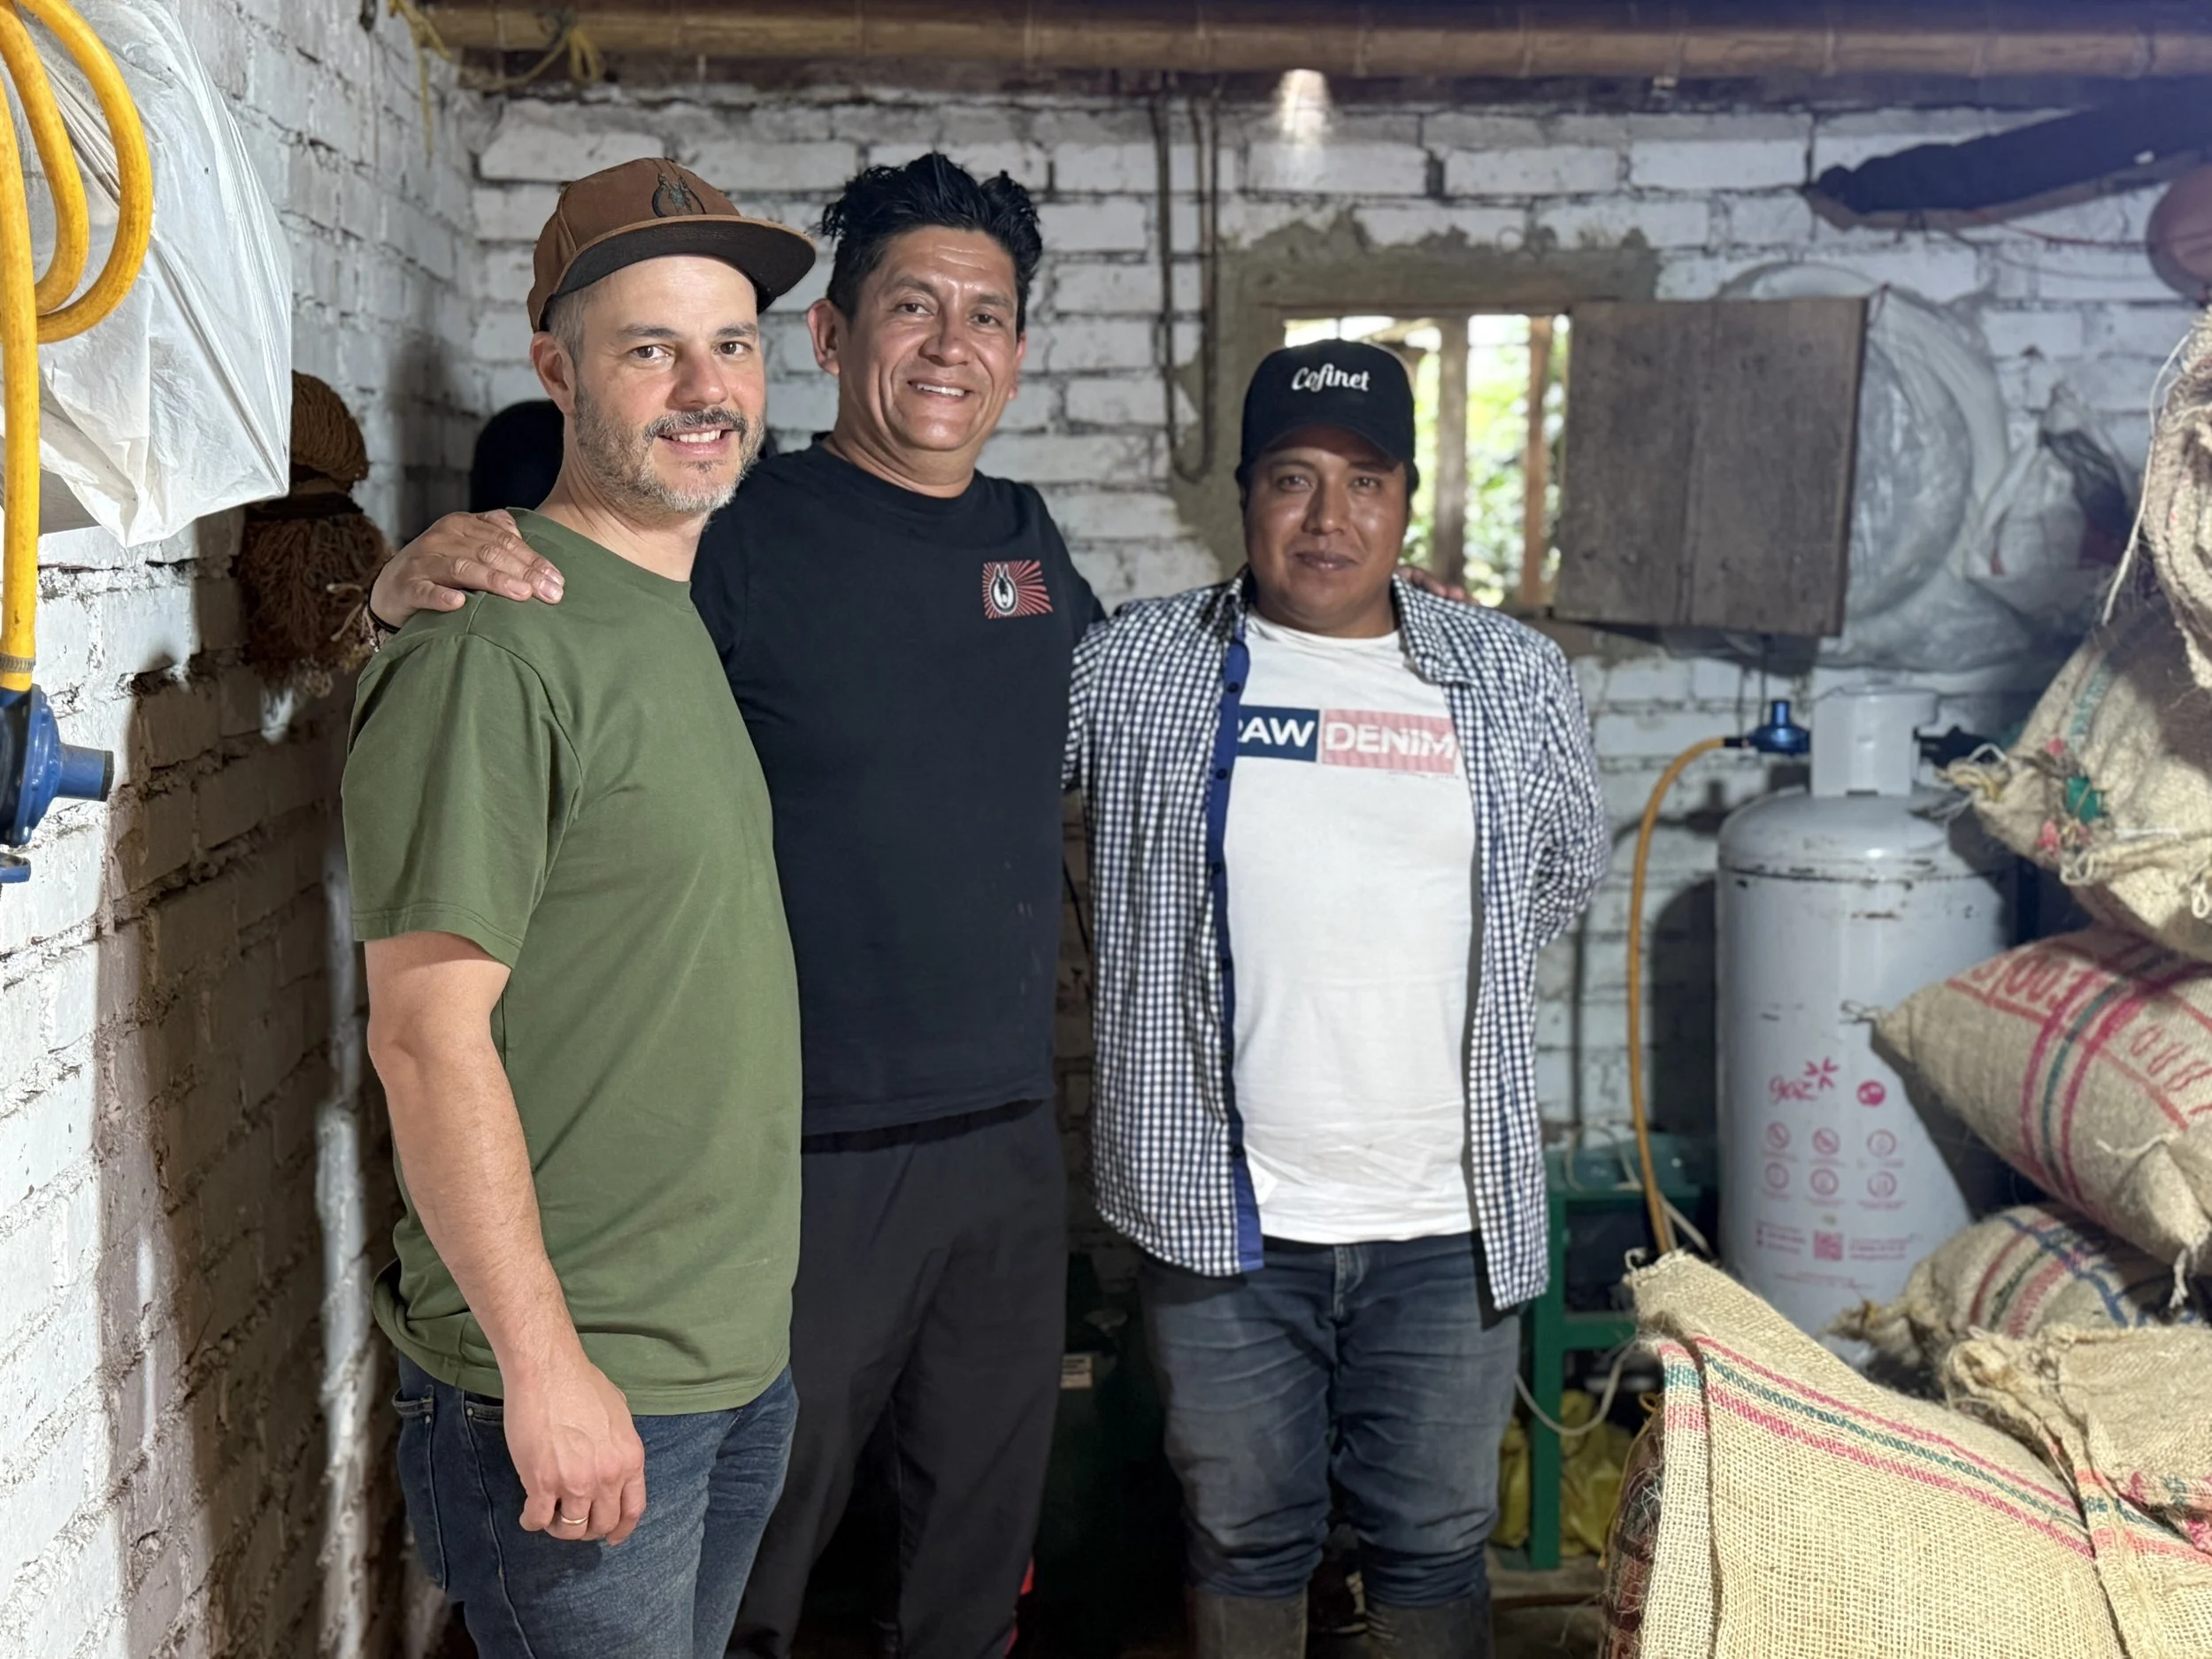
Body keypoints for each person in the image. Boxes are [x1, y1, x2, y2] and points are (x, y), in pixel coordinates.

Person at [366, 153, 1101, 1659]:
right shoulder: (721, 531)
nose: (952, 345)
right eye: (912, 306)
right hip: (799, 1162)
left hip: (978, 1148)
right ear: (836, 339)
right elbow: (518, 614)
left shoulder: (1031, 548)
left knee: (960, 1564)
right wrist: (389, 587)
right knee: (755, 1583)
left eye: (988, 315)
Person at [1064, 341, 1610, 1659]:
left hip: (1443, 1213)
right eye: (1293, 479)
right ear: (1243, 493)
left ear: (1408, 498)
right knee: (1247, 1535)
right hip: (1225, 1218)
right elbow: (1003, 806)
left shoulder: (1506, 675)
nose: (1328, 519)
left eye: (1364, 482)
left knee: (1430, 1540)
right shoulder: (1135, 669)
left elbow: (1562, 866)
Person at [342, 158, 816, 1659]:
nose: (704, 386)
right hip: (579, 1390)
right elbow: (424, 1039)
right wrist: (545, 1367)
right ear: (557, 370)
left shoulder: (663, 612)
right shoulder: (496, 642)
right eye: (649, 347)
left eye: (730, 343)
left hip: (724, 1366)